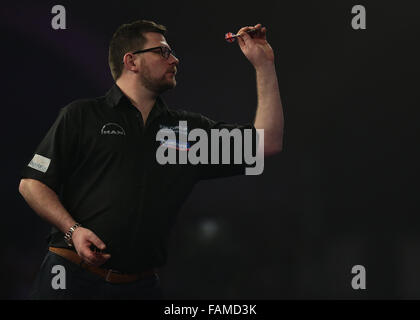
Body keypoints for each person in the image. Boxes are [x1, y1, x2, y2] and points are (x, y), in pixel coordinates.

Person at [18, 19, 284, 300]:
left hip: (140, 287)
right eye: (163, 52)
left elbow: (265, 144)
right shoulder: (81, 116)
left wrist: (264, 64)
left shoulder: (186, 132)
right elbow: (31, 184)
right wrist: (73, 230)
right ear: (132, 61)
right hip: (69, 277)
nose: (175, 59)